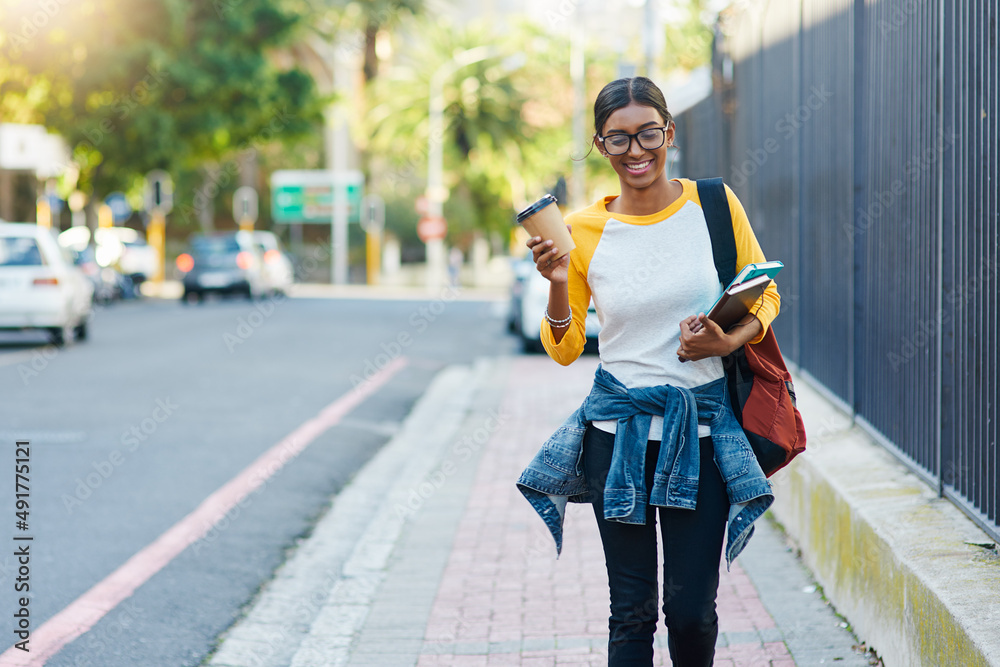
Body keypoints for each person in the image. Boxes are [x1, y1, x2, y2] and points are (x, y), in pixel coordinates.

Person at [516, 77, 781, 666]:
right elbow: (563, 349)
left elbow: (764, 295)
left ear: (670, 132)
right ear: (600, 145)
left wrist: (726, 338)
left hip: (704, 432)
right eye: (618, 140)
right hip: (619, 438)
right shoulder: (582, 231)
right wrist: (559, 285)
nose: (636, 151)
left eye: (648, 134)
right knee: (631, 613)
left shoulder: (715, 204)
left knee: (691, 613)